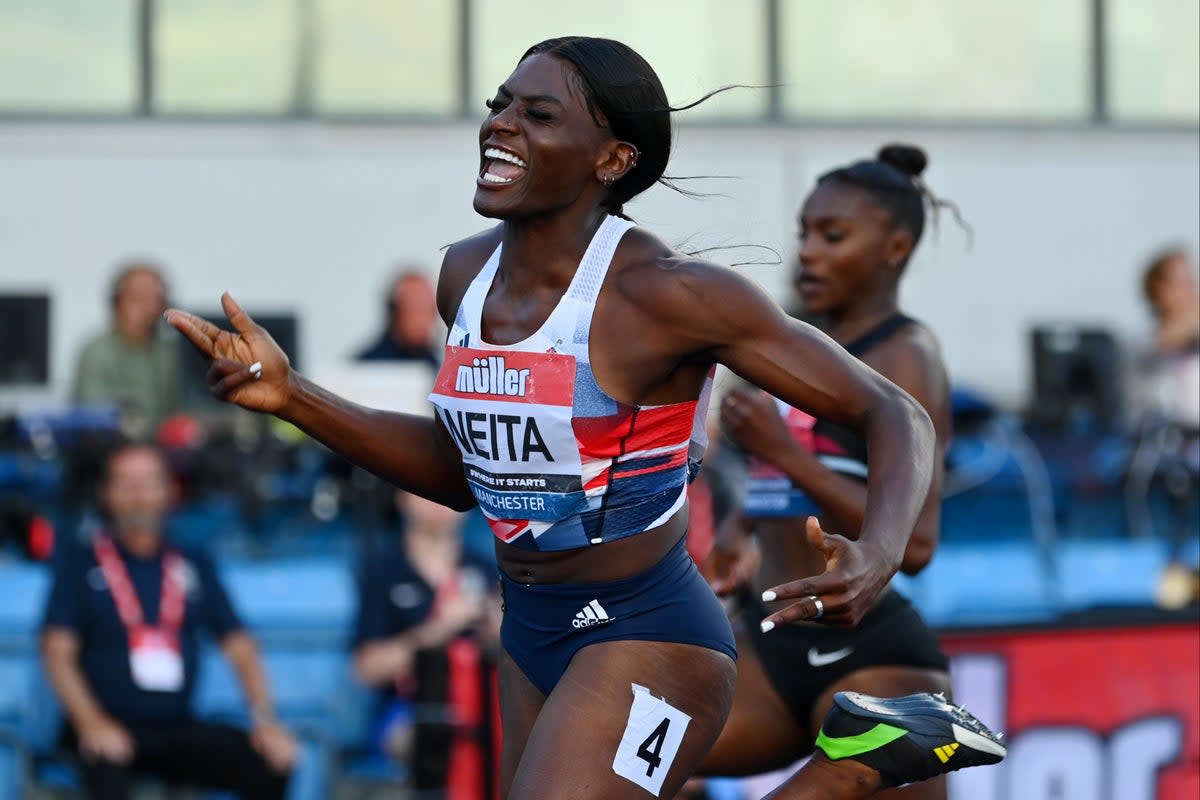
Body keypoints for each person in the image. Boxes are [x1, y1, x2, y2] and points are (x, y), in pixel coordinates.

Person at [167, 37, 1004, 799]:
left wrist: (882, 550)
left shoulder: (665, 293)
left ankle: (858, 765)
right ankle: (865, 755)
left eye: (537, 114)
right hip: (530, 630)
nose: (500, 125)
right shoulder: (464, 276)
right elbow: (465, 478)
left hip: (649, 631)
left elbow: (894, 412)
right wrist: (294, 397)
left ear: (612, 158)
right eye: (499, 104)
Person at [697, 145, 959, 800]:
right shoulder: (807, 344)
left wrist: (782, 452)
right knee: (617, 768)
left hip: (877, 657)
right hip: (773, 643)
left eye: (832, 236)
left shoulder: (905, 356)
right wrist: (741, 521)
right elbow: (794, 472)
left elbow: (917, 544)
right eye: (805, 234)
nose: (809, 252)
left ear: (894, 247)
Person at [40, 442, 296, 799]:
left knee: (270, 761)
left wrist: (266, 722)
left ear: (169, 491)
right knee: (105, 765)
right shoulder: (78, 564)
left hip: (175, 726)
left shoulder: (193, 563)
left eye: (148, 483)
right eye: (126, 483)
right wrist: (91, 722)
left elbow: (240, 646)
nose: (138, 496)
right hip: (102, 723)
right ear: (106, 493)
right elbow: (57, 652)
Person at [352, 491, 501, 797]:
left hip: (483, 703)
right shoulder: (384, 571)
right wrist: (440, 628)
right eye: (424, 491)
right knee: (424, 738)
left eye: (444, 488)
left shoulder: (486, 569)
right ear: (401, 498)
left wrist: (501, 631)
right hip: (406, 708)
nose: (439, 502)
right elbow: (366, 669)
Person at [1131, 248, 1200, 608]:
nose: (1191, 290)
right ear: (1157, 291)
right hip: (1167, 463)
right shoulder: (1149, 341)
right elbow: (1170, 336)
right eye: (1181, 282)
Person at [72, 261, 181, 441]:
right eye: (138, 298)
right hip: (112, 447)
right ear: (117, 302)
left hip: (165, 450)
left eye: (155, 299)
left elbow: (182, 412)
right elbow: (92, 414)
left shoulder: (170, 352)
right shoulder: (97, 351)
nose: (148, 307)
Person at [355, 269, 441, 367]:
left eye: (430, 309)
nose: (425, 318)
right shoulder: (366, 368)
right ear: (395, 312)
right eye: (417, 307)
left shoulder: (437, 364)